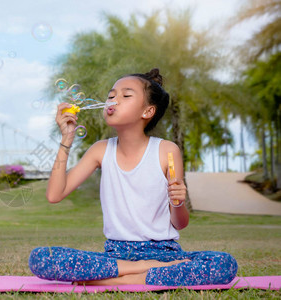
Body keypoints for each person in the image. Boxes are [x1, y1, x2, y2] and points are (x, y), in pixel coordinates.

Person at [28, 68, 238, 286]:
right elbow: (54, 195)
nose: (113, 100)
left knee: (223, 263)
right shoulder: (100, 150)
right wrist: (67, 138)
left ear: (147, 111)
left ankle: (111, 281)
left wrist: (178, 202)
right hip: (116, 256)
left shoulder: (167, 150)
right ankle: (140, 272)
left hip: (164, 255)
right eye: (111, 96)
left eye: (126, 95)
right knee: (42, 258)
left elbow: (179, 223)